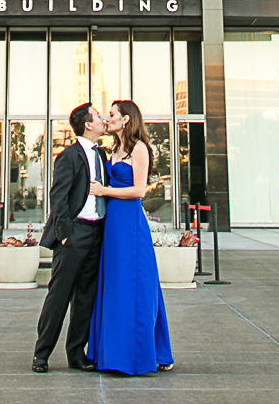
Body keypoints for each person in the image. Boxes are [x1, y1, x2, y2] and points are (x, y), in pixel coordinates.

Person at [86, 99, 175, 376]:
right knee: (114, 284)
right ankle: (111, 352)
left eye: (111, 114)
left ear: (125, 119)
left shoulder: (139, 149)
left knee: (136, 283)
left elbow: (139, 190)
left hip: (130, 225)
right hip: (111, 225)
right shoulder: (113, 149)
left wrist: (104, 191)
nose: (107, 118)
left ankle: (140, 353)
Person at [31, 102, 108, 374]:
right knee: (59, 296)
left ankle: (77, 354)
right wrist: (65, 236)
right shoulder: (68, 156)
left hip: (96, 232)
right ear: (88, 124)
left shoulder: (102, 154)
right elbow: (58, 197)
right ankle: (41, 355)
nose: (103, 119)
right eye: (98, 117)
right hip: (74, 233)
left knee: (85, 296)